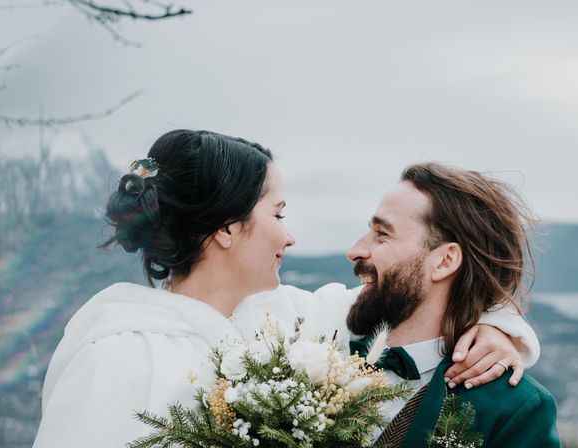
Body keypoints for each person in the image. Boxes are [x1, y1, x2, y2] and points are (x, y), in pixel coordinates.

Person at [33, 130, 540, 448]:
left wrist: (499, 325)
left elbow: (409, 300)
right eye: (277, 214)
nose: (289, 235)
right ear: (227, 230)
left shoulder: (291, 322)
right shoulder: (122, 351)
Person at [346, 162, 560, 447]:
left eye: (382, 235)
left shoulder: (515, 409)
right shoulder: (317, 348)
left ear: (444, 261)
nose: (354, 251)